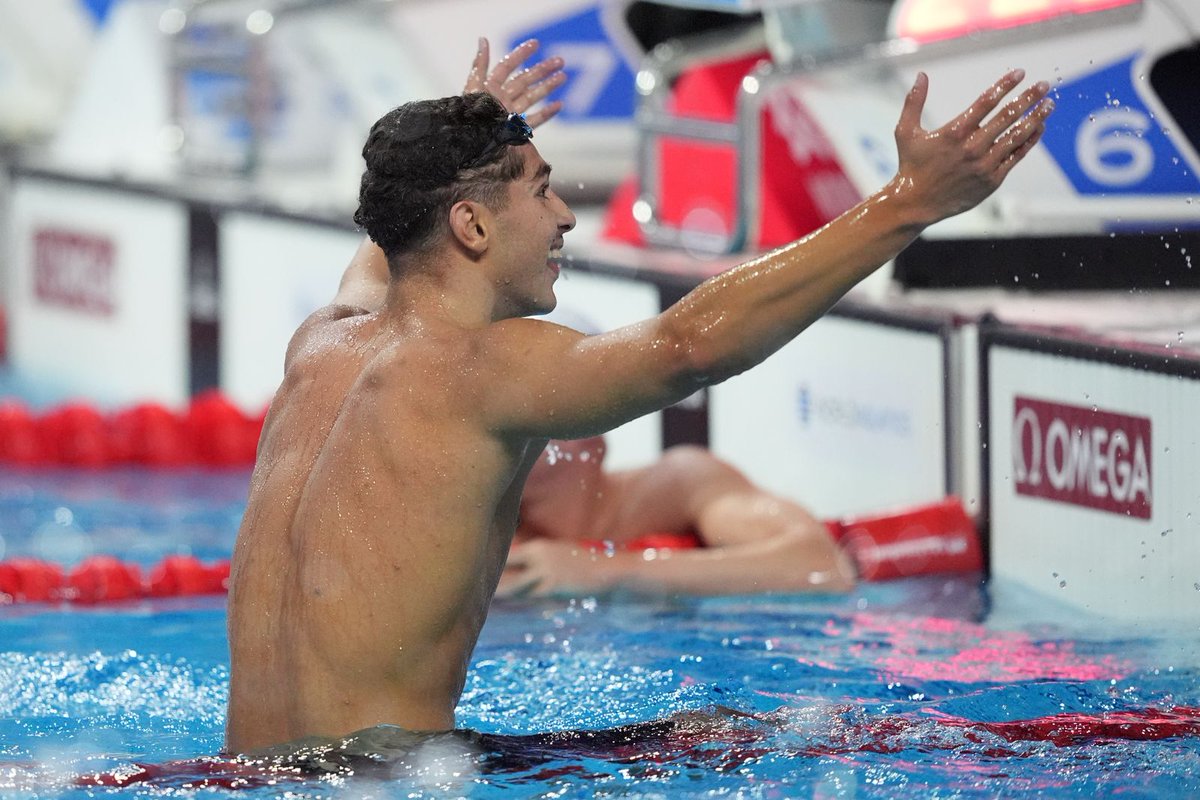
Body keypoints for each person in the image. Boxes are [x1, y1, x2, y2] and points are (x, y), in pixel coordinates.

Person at [223, 32, 1053, 754]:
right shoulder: (481, 370)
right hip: (387, 783)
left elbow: (397, 235)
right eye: (539, 189)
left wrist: (462, 131)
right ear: (472, 227)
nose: (565, 217)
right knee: (752, 736)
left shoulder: (322, 342)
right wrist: (906, 205)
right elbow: (688, 346)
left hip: (239, 775)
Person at [501, 436, 857, 596]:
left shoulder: (678, 485)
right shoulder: (478, 539)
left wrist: (606, 571)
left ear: (594, 436)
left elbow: (822, 565)